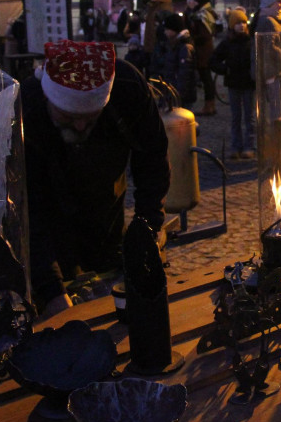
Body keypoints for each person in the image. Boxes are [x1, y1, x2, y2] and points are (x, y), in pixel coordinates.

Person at [22, 39, 170, 317]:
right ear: (49, 99)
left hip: (107, 213)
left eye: (91, 118)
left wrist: (148, 229)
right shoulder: (27, 108)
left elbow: (152, 159)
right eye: (68, 117)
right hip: (53, 220)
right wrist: (51, 288)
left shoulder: (126, 86)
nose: (79, 126)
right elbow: (30, 205)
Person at [210, 13, 255, 159]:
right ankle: (236, 146)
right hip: (234, 84)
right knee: (236, 117)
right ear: (232, 26)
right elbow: (214, 60)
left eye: (243, 22)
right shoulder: (227, 42)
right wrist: (225, 70)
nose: (241, 25)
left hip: (249, 84)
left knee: (250, 117)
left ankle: (249, 146)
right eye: (237, 23)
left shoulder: (252, 41)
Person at [187, 0, 217, 115]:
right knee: (206, 78)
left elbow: (204, 34)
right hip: (205, 49)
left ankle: (209, 106)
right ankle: (210, 105)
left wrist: (192, 38)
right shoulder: (205, 13)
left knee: (206, 79)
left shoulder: (202, 15)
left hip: (203, 51)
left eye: (196, 0)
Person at [158, 11, 196, 106]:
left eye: (167, 29)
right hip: (172, 89)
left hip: (180, 94)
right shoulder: (173, 43)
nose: (165, 31)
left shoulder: (184, 47)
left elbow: (185, 73)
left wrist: (179, 93)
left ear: (174, 30)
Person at [142, 0, 173, 73]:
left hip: (158, 47)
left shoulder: (164, 7)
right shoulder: (152, 6)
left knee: (157, 75)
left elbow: (167, 28)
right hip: (150, 45)